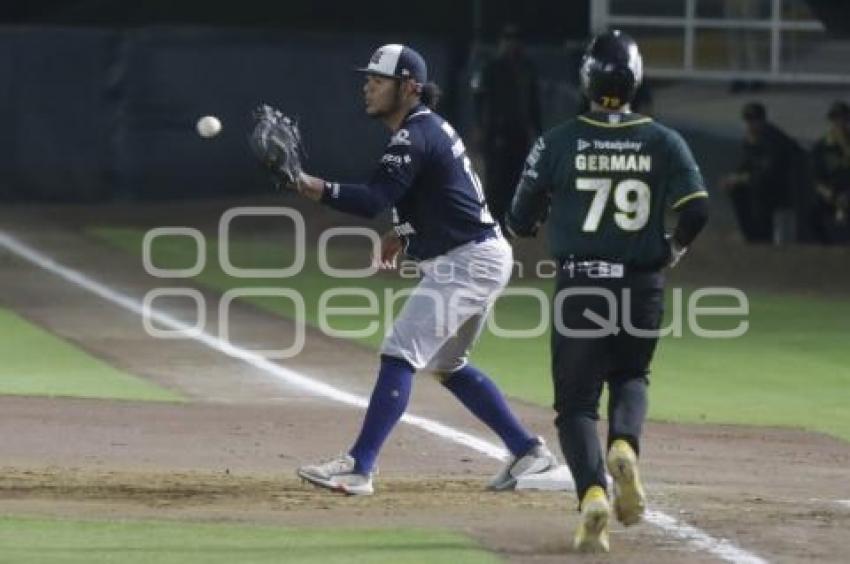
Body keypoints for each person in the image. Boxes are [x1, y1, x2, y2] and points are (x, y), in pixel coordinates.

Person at [284, 44, 557, 495]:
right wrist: (402, 230)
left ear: (409, 86)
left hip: (469, 261)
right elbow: (433, 193)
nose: (367, 86)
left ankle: (359, 466)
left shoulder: (416, 134)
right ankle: (528, 453)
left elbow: (374, 197)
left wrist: (309, 184)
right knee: (448, 363)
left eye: (378, 79)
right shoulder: (421, 131)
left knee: (399, 351)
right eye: (367, 78)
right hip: (479, 254)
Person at [506, 31, 709, 553]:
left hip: (580, 284)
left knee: (575, 406)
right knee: (631, 375)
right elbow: (698, 209)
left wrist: (535, 215)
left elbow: (519, 216)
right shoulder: (663, 140)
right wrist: (673, 249)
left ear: (587, 81)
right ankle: (624, 444)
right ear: (636, 81)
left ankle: (594, 492)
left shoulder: (557, 141)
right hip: (641, 284)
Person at [472, 24, 542, 231]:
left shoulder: (528, 68)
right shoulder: (490, 67)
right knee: (495, 178)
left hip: (519, 132)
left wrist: (538, 130)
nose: (512, 43)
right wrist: (478, 127)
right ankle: (493, 221)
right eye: (508, 38)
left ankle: (509, 222)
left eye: (516, 39)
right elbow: (478, 98)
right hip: (495, 131)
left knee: (515, 177)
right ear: (501, 42)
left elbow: (534, 103)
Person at [721, 102, 801, 243]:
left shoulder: (774, 138)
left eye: (754, 120)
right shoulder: (751, 139)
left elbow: (769, 172)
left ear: (762, 120)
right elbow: (746, 164)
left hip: (780, 188)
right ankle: (750, 234)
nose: (751, 124)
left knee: (758, 186)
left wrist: (741, 178)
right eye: (748, 120)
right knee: (736, 190)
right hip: (760, 183)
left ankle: (763, 236)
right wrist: (732, 178)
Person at [810, 100, 850, 244]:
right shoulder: (822, 146)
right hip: (830, 191)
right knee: (813, 212)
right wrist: (825, 192)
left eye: (844, 118)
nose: (840, 122)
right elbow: (815, 176)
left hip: (848, 191)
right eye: (836, 118)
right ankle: (825, 247)